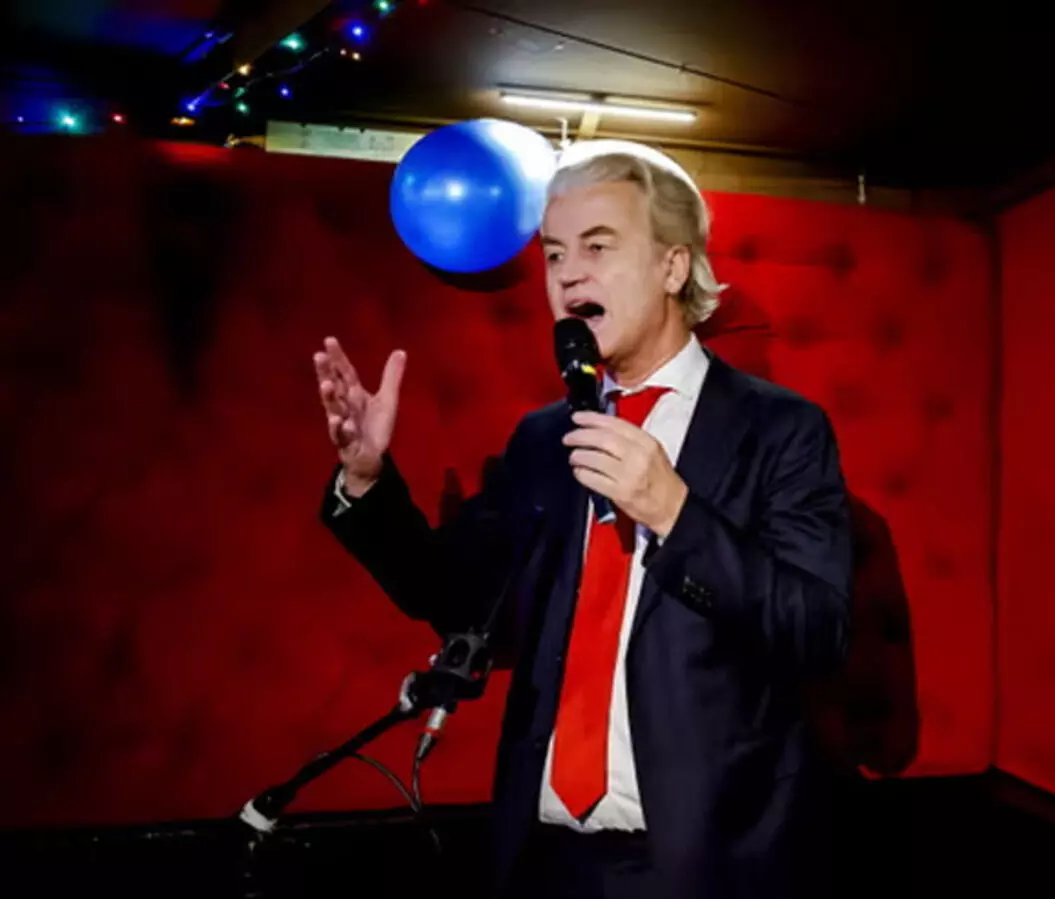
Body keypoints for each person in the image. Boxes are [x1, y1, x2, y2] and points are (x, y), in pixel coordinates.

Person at [311, 142, 853, 897]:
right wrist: (367, 481)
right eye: (555, 253)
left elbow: (816, 630)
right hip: (542, 857)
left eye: (599, 247)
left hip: (711, 860)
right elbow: (457, 602)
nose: (568, 274)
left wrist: (674, 512)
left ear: (672, 266)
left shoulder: (781, 430)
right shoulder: (545, 438)